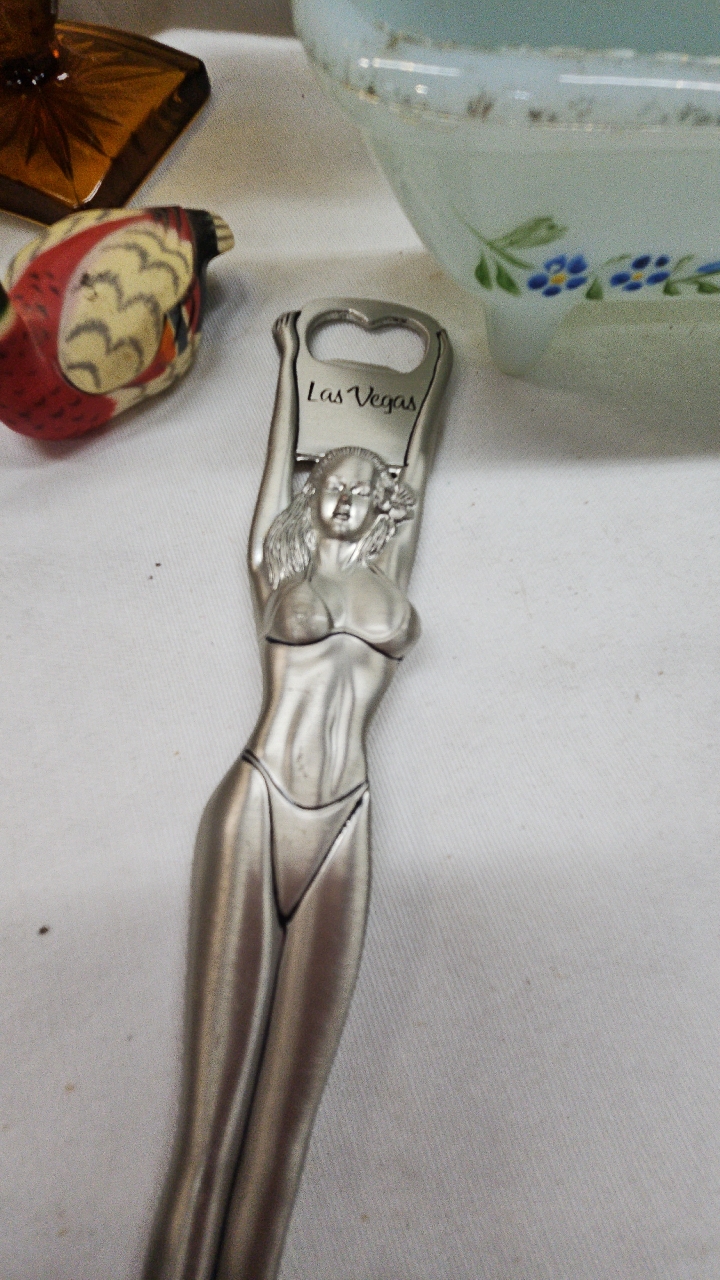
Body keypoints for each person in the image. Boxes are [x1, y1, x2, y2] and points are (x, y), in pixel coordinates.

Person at [144, 309, 451, 1280]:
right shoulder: (274, 567)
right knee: (208, 1139)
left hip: (346, 825)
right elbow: (279, 473)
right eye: (334, 485)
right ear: (314, 498)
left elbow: (416, 462)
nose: (347, 496)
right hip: (258, 805)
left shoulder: (389, 571)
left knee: (284, 1143)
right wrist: (289, 364)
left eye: (365, 487)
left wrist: (433, 372)